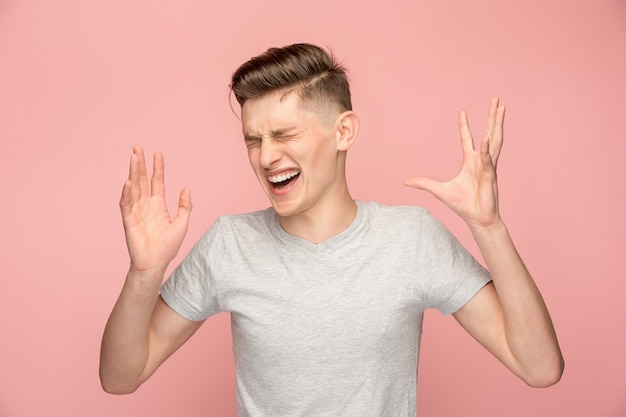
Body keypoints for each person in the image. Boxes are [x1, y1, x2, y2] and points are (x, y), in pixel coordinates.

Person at [100, 43, 563, 416]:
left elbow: (539, 367)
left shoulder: (411, 239)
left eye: (284, 135)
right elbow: (120, 378)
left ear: (344, 132)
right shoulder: (229, 244)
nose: (265, 157)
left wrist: (489, 227)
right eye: (253, 140)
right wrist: (144, 273)